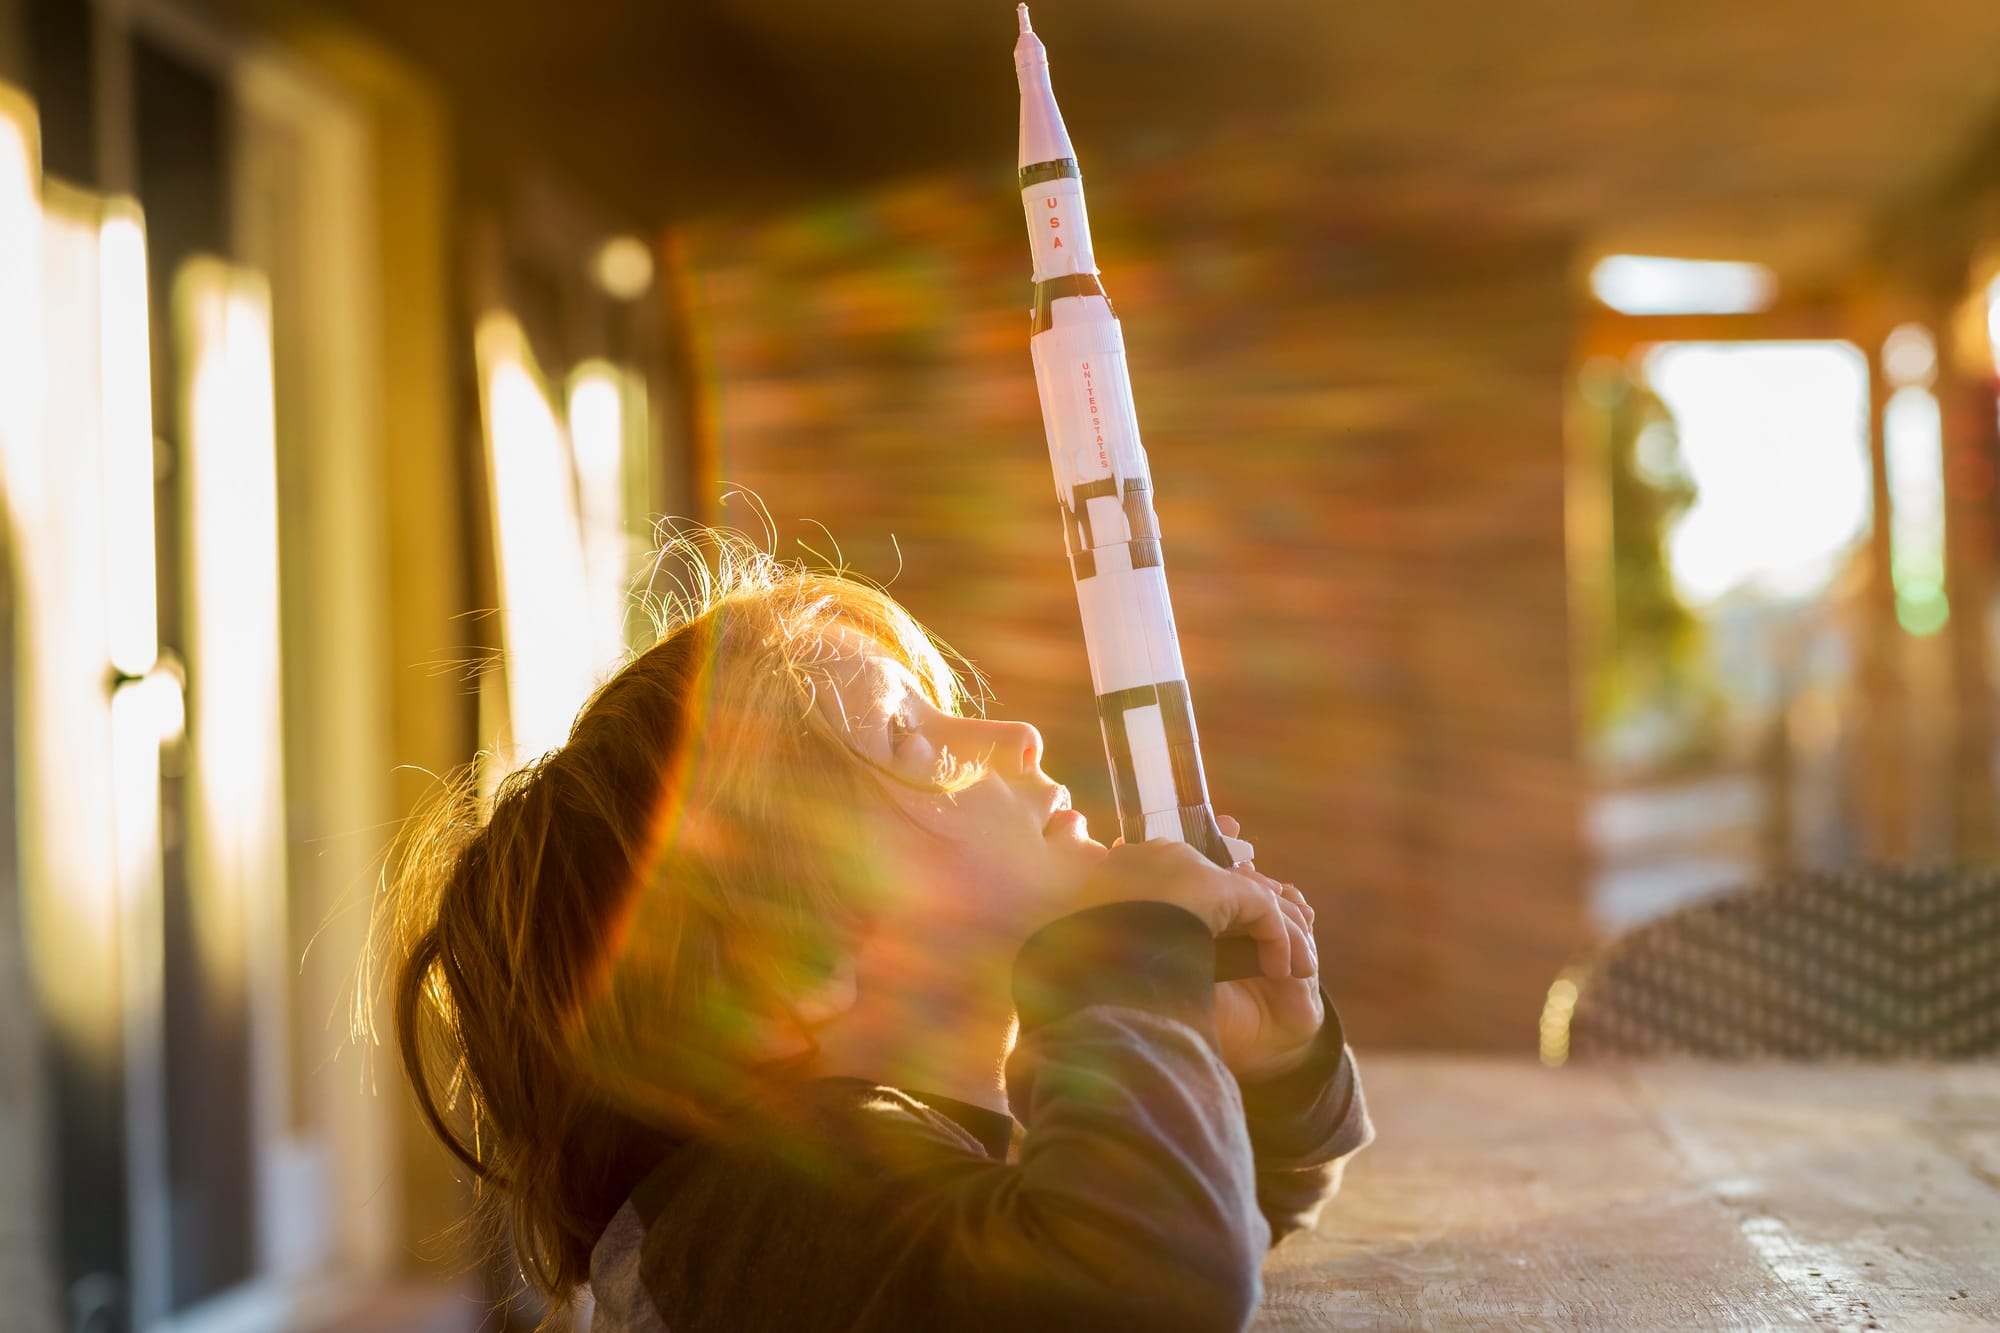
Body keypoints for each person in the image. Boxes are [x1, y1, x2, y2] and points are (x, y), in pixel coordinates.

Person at [371, 532, 1371, 1332]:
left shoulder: (879, 1169)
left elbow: (1214, 1222)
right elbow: (1149, 1284)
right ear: (786, 971)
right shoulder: (752, 1233)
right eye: (913, 740)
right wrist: (1120, 960)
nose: (1011, 737)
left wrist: (1262, 1065)